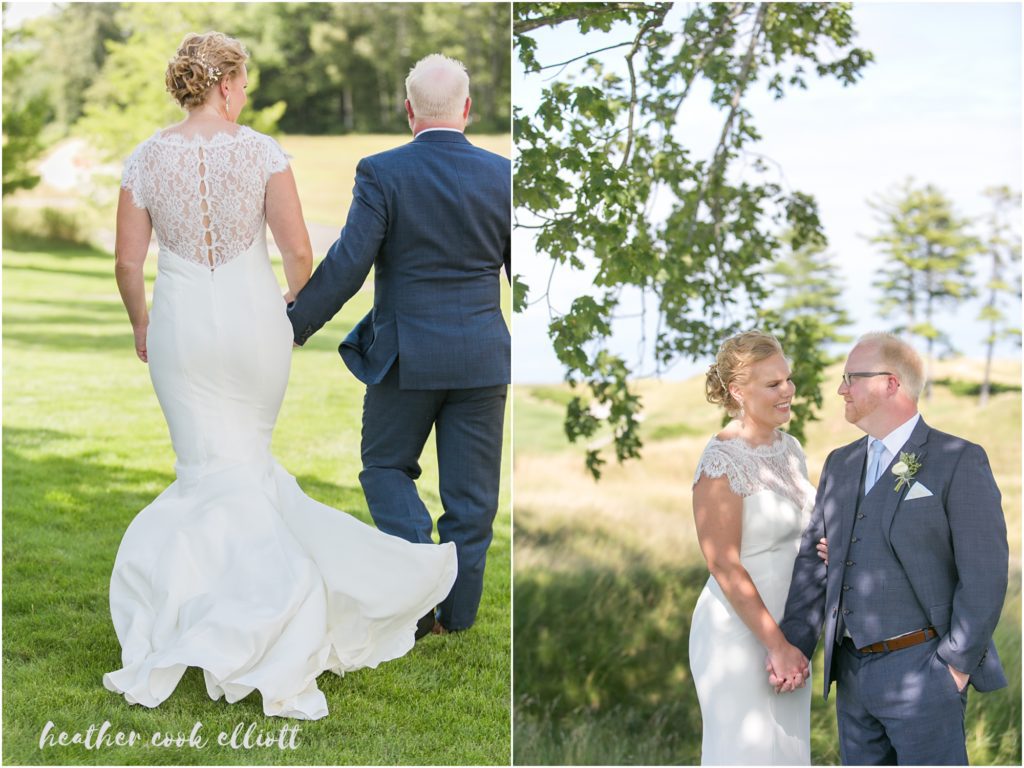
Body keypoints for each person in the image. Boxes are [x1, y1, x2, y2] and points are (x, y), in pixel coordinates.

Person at [105, 31, 457, 721]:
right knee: (246, 465)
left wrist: (141, 322)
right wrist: (295, 301)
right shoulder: (261, 152)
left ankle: (203, 617)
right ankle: (263, 612)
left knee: (205, 468)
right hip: (253, 324)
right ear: (228, 84)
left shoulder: (145, 159)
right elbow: (298, 250)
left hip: (180, 327)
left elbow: (126, 264)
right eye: (243, 83)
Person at [286, 53, 510, 635]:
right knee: (472, 501)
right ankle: (454, 619)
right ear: (468, 109)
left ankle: (419, 594)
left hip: (406, 358)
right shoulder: (504, 175)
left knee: (385, 466)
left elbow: (347, 265)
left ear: (408, 110)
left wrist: (292, 325)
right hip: (484, 359)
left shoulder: (382, 171)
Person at [777, 332, 1008, 764]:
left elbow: (985, 574)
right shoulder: (840, 464)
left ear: (890, 383)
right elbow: (814, 560)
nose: (841, 389)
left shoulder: (957, 459)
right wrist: (793, 645)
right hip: (851, 674)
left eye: (851, 378)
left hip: (925, 673)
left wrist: (954, 667)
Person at [689, 330, 815, 764]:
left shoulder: (792, 450)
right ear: (739, 392)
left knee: (788, 752)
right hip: (739, 636)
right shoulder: (721, 461)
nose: (788, 391)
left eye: (787, 380)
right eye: (773, 384)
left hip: (793, 631)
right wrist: (775, 645)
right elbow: (724, 565)